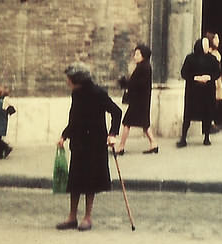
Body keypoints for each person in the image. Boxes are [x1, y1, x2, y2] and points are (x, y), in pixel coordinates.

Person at [56, 63, 122, 231]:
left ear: (78, 80)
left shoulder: (98, 93)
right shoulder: (76, 93)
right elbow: (74, 117)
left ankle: (87, 217)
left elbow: (116, 112)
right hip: (78, 142)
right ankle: (72, 217)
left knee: (90, 181)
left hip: (95, 142)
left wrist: (112, 134)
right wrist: (64, 135)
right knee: (75, 180)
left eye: (69, 79)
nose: (67, 82)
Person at [176, 38, 221, 147]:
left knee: (207, 114)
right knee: (188, 115)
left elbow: (217, 73)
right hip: (193, 92)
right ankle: (183, 138)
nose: (206, 47)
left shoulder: (212, 59)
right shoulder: (190, 58)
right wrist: (195, 78)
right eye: (204, 45)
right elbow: (184, 73)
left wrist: (209, 77)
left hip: (207, 92)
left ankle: (206, 137)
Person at [116, 43, 157, 155]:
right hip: (141, 101)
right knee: (144, 124)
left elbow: (137, 84)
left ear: (143, 55)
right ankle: (153, 144)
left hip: (139, 102)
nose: (135, 56)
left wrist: (125, 82)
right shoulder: (144, 66)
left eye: (137, 54)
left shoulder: (143, 67)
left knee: (126, 123)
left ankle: (121, 147)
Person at [205, 32, 222, 131]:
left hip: (217, 78)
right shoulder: (209, 53)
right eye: (216, 39)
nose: (218, 41)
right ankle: (210, 122)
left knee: (216, 101)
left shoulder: (216, 52)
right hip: (213, 79)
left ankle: (212, 121)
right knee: (211, 100)